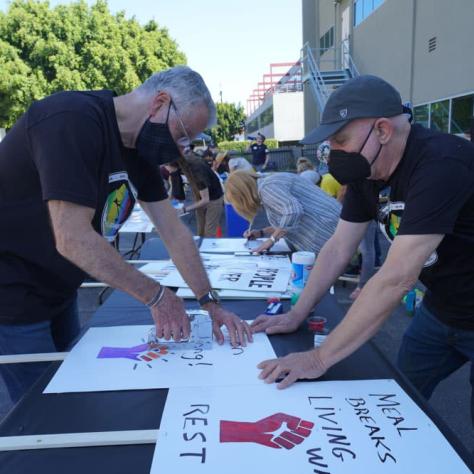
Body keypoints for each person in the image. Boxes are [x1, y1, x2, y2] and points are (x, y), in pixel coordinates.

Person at [0, 66, 252, 403]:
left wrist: (209, 302)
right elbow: (71, 237)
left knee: (76, 393)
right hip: (13, 294)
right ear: (160, 102)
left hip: (59, 289)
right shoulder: (70, 120)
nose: (180, 148)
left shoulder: (138, 150)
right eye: (182, 134)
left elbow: (174, 232)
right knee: (40, 410)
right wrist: (156, 296)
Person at [251, 74, 474, 431]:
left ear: (383, 130)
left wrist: (320, 357)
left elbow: (397, 276)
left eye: (340, 140)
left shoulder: (441, 162)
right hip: (441, 309)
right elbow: (338, 246)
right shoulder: (366, 174)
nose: (333, 153)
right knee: (398, 401)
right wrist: (297, 313)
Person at [225, 171, 341, 254]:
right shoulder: (269, 182)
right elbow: (288, 223)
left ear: (242, 195)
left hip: (328, 228)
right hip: (333, 225)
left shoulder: (267, 187)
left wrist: (271, 241)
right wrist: (261, 233)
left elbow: (293, 212)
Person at [166, 154, 224, 237]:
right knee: (200, 230)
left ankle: (208, 248)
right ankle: (200, 248)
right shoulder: (179, 165)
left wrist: (184, 210)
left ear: (171, 164)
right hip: (200, 195)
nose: (165, 169)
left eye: (166, 165)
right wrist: (165, 203)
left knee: (209, 232)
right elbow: (173, 189)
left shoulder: (195, 170)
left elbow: (205, 199)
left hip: (214, 197)